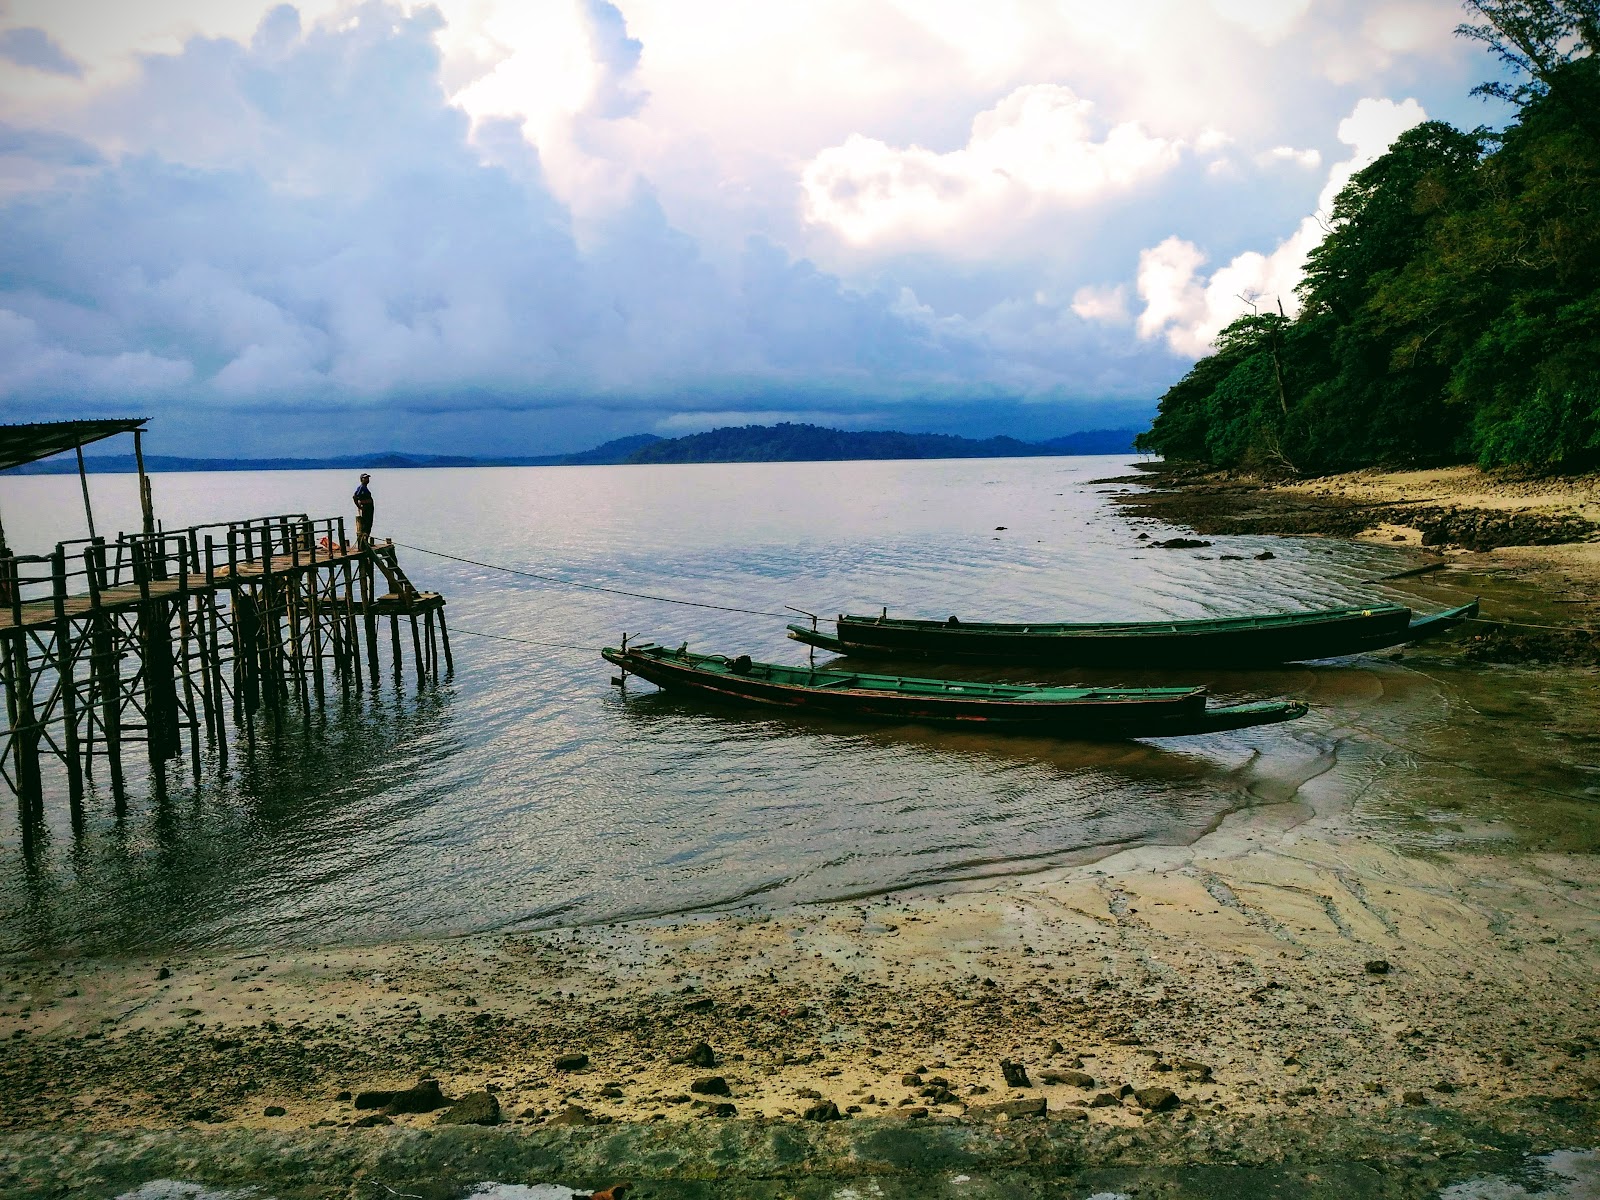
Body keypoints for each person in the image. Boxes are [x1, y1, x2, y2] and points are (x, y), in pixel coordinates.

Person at [353, 473, 375, 548]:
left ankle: (365, 542)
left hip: (369, 508)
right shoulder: (361, 487)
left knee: (369, 525)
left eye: (368, 478)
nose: (367, 479)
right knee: (366, 525)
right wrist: (359, 506)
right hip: (366, 509)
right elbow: (355, 497)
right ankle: (363, 543)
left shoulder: (365, 487)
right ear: (361, 479)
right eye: (365, 478)